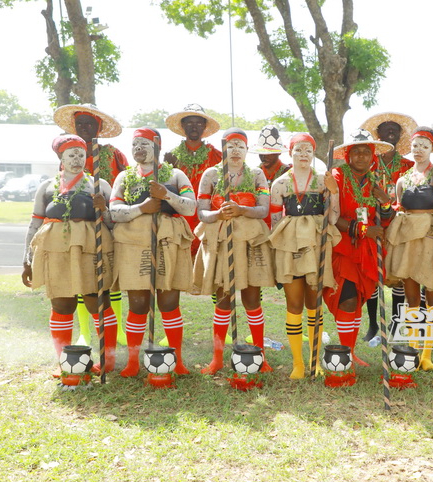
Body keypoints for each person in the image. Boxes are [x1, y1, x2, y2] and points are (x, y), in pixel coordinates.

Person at [22, 135, 117, 375]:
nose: (77, 160)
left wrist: (103, 209)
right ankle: (64, 362)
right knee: (62, 303)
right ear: (60, 158)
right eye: (71, 155)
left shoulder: (99, 185)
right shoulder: (47, 186)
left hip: (90, 249)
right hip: (56, 250)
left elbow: (113, 223)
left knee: (97, 301)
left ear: (87, 157)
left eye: (81, 155)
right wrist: (27, 258)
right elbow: (34, 224)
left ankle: (109, 360)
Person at [109, 128, 197, 377]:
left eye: (144, 144)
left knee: (169, 301)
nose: (138, 148)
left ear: (157, 146)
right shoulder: (124, 178)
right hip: (135, 242)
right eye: (134, 144)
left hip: (168, 240)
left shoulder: (176, 174)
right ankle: (133, 362)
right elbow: (114, 212)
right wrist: (142, 207)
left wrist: (166, 195)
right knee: (138, 303)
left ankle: (177, 360)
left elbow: (191, 209)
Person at [192, 128, 275, 375]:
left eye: (240, 145)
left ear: (247, 150)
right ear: (223, 149)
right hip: (220, 239)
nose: (235, 150)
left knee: (251, 297)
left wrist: (241, 210)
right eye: (231, 145)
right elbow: (201, 212)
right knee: (224, 297)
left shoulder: (257, 174)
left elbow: (263, 209)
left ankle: (260, 356)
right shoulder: (211, 174)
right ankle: (217, 358)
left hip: (249, 239)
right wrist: (218, 214)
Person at [54, 103, 129, 347]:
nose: (85, 127)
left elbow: (124, 186)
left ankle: (115, 331)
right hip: (75, 231)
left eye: (90, 123)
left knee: (106, 284)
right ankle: (84, 331)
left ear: (98, 126)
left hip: (106, 224)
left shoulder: (113, 154)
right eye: (80, 123)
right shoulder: (70, 153)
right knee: (80, 283)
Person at [268, 133, 341, 378]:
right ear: (290, 153)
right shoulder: (279, 184)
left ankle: (314, 361)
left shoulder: (323, 180)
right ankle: (298, 363)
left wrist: (334, 192)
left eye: (308, 150)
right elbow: (275, 223)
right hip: (289, 247)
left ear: (314, 154)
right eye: (298, 150)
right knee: (294, 305)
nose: (303, 155)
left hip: (315, 245)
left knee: (314, 304)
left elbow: (333, 218)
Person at [324, 129, 395, 369]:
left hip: (367, 250)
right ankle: (344, 354)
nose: (362, 156)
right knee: (346, 298)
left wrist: (385, 201)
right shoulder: (337, 176)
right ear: (348, 155)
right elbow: (332, 216)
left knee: (357, 301)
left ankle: (351, 353)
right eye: (357, 152)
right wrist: (362, 231)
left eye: (366, 152)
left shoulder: (376, 179)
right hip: (342, 246)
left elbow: (385, 219)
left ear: (372, 156)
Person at [386, 126, 433, 371]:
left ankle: (427, 354)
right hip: (408, 239)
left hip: (430, 238)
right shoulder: (402, 179)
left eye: (424, 146)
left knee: (432, 293)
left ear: (431, 149)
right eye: (415, 146)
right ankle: (413, 349)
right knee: (411, 295)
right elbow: (398, 210)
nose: (419, 151)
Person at [359, 112, 417, 342]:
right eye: (386, 128)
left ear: (401, 135)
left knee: (399, 274)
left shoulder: (409, 165)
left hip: (399, 225)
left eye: (395, 128)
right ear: (378, 134)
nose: (391, 130)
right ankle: (373, 325)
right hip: (373, 225)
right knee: (373, 274)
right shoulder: (367, 162)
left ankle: (395, 323)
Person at [164, 104, 222, 258]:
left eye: (198, 123)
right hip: (181, 219)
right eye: (189, 123)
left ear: (204, 126)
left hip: (208, 218)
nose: (194, 127)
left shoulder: (217, 157)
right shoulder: (171, 157)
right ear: (183, 126)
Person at [252, 124, 291, 229]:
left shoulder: (289, 173)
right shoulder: (254, 174)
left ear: (278, 152)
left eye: (269, 152)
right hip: (258, 227)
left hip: (283, 227)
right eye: (261, 153)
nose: (264, 156)